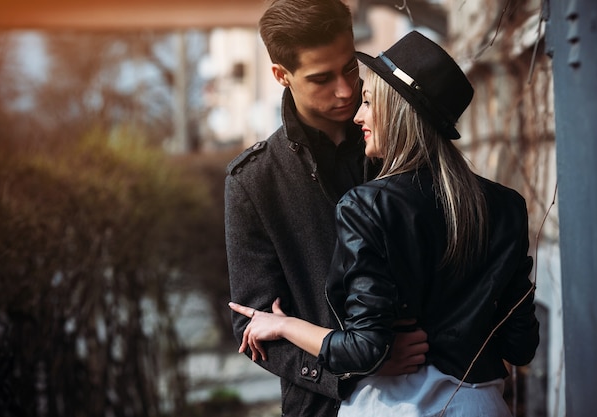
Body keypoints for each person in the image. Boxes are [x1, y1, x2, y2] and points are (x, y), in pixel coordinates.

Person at [229, 30, 540, 416]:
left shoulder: (367, 204)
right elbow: (520, 344)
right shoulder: (507, 206)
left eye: (367, 100)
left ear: (397, 112)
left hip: (394, 405)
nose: (356, 109)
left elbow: (365, 347)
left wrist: (286, 326)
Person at [224, 1, 429, 416]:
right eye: (321, 78)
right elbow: (252, 323)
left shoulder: (402, 142)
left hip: (430, 388)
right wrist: (354, 366)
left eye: (350, 67)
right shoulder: (252, 180)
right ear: (281, 75)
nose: (346, 89)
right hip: (322, 407)